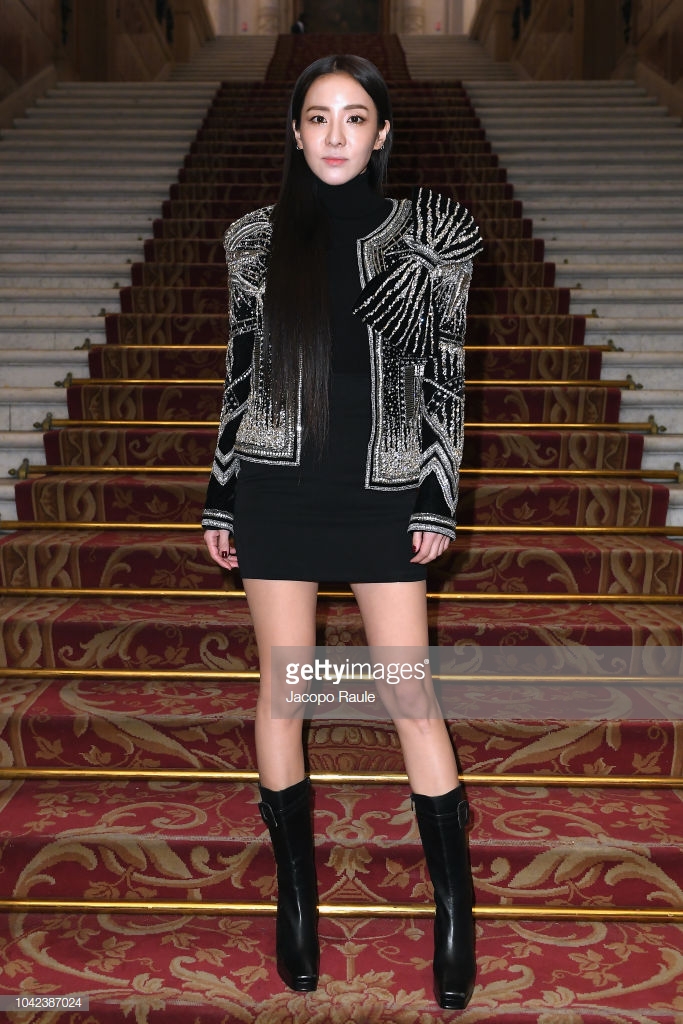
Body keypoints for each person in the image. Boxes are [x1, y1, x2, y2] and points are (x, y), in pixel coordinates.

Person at [202, 54, 482, 1010]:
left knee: (408, 694)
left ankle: (454, 910)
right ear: (294, 131)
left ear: (381, 133)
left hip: (382, 489)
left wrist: (436, 497)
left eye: (353, 117)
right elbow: (240, 371)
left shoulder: (432, 236)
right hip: (275, 490)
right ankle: (296, 898)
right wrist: (220, 495)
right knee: (284, 692)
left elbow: (446, 372)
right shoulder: (252, 239)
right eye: (317, 116)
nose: (334, 134)